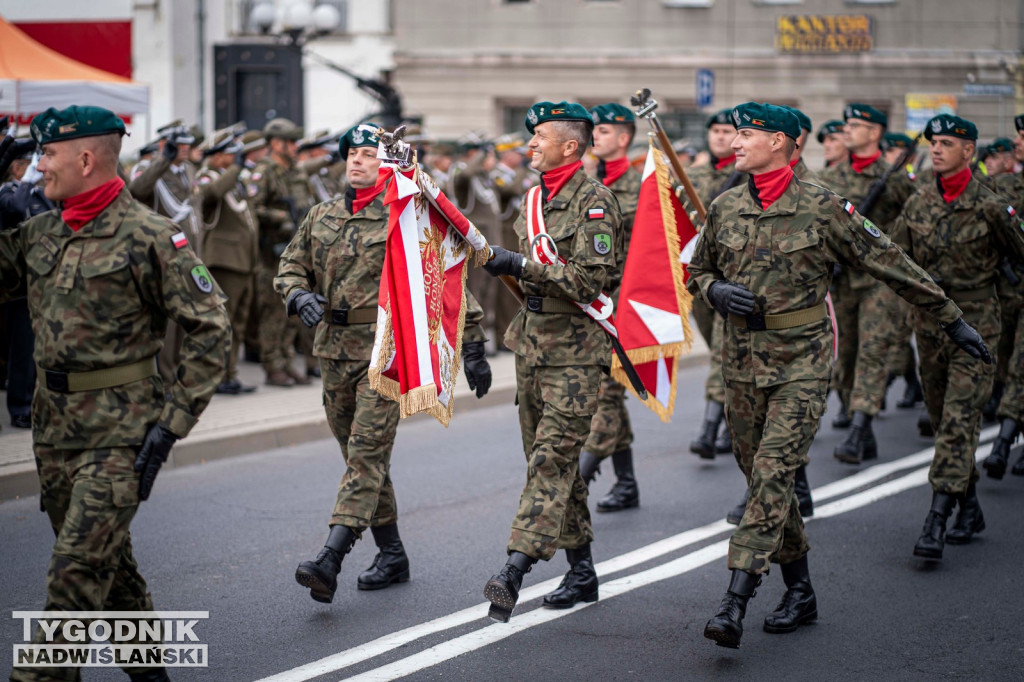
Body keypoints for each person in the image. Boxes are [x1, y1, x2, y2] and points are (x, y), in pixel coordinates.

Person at [688, 102, 989, 649]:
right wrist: (713, 289)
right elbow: (698, 269)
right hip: (741, 363)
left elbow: (890, 261)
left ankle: (735, 598)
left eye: (747, 134)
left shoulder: (824, 207)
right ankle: (800, 591)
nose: (734, 142)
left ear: (780, 142)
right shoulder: (725, 205)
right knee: (764, 482)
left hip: (802, 361)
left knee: (776, 471)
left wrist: (952, 319)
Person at [2, 105, 230, 682]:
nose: (38, 167)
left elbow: (210, 328)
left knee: (74, 574)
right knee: (109, 565)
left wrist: (173, 421)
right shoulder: (40, 231)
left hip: (123, 434)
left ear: (84, 158)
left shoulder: (151, 236)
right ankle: (151, 674)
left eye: (47, 155)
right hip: (54, 432)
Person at [276, 124, 492, 603]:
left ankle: (329, 558)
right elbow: (290, 266)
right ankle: (392, 554)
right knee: (359, 459)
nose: (356, 161)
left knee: (366, 455)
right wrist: (296, 294)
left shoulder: (405, 215)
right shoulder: (322, 214)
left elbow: (444, 281)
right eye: (351, 153)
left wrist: (472, 346)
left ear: (387, 163)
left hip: (386, 353)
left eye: (368, 154)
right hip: (332, 352)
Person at [480, 101, 622, 623]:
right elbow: (530, 281)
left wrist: (522, 264)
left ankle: (513, 570)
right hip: (533, 345)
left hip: (577, 354)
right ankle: (582, 572)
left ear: (570, 146)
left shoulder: (596, 202)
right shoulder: (535, 199)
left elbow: (588, 280)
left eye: (540, 136)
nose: (531, 144)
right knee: (555, 468)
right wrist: (510, 268)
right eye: (531, 136)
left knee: (550, 462)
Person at [890, 114, 1024, 557]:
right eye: (934, 143)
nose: (937, 149)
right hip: (929, 328)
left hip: (978, 328)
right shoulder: (918, 202)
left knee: (957, 422)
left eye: (947, 143)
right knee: (944, 418)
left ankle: (936, 518)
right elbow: (893, 259)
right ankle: (969, 507)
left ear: (969, 151)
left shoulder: (991, 205)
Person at [820, 103, 917, 464]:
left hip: (879, 280)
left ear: (875, 133)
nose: (847, 129)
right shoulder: (830, 177)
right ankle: (863, 423)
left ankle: (860, 426)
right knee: (843, 354)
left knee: (873, 351)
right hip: (841, 281)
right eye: (845, 123)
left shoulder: (894, 179)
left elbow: (917, 222)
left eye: (856, 125)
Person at [577, 102, 642, 513]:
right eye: (592, 130)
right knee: (610, 396)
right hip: (586, 299)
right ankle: (628, 482)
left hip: (621, 304)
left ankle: (577, 477)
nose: (595, 136)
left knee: (605, 392)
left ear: (624, 137)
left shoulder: (644, 186)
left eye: (603, 130)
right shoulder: (583, 185)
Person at [686, 108, 745, 460]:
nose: (721, 136)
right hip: (698, 277)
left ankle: (711, 426)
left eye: (728, 131)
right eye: (716, 130)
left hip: (732, 277)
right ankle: (729, 418)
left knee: (724, 353)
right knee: (719, 351)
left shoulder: (745, 175)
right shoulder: (688, 175)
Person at [129, 120, 205, 389]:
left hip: (189, 255)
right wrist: (163, 160)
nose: (185, 149)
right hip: (164, 257)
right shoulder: (149, 170)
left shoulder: (189, 169)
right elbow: (137, 190)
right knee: (167, 323)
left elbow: (195, 215)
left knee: (186, 319)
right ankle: (165, 377)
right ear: (164, 144)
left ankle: (179, 374)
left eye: (186, 144)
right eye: (179, 144)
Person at [251, 117, 315, 387]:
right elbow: (254, 207)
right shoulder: (263, 172)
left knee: (292, 311)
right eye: (290, 142)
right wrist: (280, 217)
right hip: (271, 252)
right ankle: (273, 365)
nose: (294, 146)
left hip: (295, 251)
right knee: (272, 313)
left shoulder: (294, 171)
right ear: (275, 144)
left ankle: (288, 363)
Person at [197, 127, 260, 395]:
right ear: (217, 156)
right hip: (224, 261)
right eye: (231, 154)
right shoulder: (206, 176)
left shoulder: (231, 177)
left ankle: (230, 374)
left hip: (243, 260)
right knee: (225, 322)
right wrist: (236, 170)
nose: (236, 159)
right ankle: (219, 376)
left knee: (238, 323)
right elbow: (210, 195)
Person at [0, 137, 50, 429]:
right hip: (19, 284)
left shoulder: (39, 193)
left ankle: (38, 402)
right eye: (30, 166)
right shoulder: (8, 193)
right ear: (17, 168)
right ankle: (19, 406)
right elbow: (17, 209)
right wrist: (27, 182)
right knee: (22, 349)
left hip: (43, 280)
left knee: (41, 347)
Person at [984, 114, 1024, 478]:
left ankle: (1003, 442)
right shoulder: (1006, 186)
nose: (1018, 142)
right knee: (1007, 358)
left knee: (1020, 368)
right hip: (1009, 289)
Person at [490, 133, 534, 340]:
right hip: (506, 235)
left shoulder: (522, 172)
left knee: (523, 283)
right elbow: (513, 190)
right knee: (506, 290)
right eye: (516, 152)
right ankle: (502, 333)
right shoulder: (497, 174)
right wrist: (522, 172)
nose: (521, 156)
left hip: (522, 234)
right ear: (506, 154)